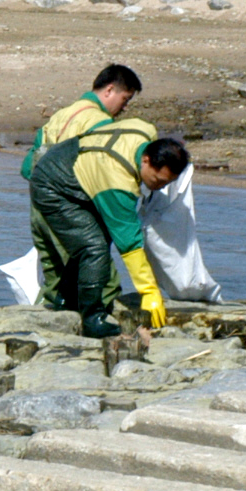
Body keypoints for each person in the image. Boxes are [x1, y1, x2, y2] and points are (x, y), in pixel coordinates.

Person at [29, 116, 189, 339]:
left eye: (167, 183)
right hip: (53, 185)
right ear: (145, 159)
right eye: (158, 180)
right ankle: (93, 319)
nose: (160, 187)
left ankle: (66, 299)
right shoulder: (118, 181)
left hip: (83, 170)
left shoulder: (145, 130)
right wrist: (150, 292)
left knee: (97, 238)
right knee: (94, 248)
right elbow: (129, 243)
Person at [22, 65, 143, 308]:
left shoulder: (60, 115)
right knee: (101, 280)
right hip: (68, 212)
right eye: (125, 99)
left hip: (40, 211)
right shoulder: (100, 123)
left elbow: (28, 168)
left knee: (57, 284)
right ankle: (107, 335)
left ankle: (49, 332)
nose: (125, 107)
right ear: (110, 90)